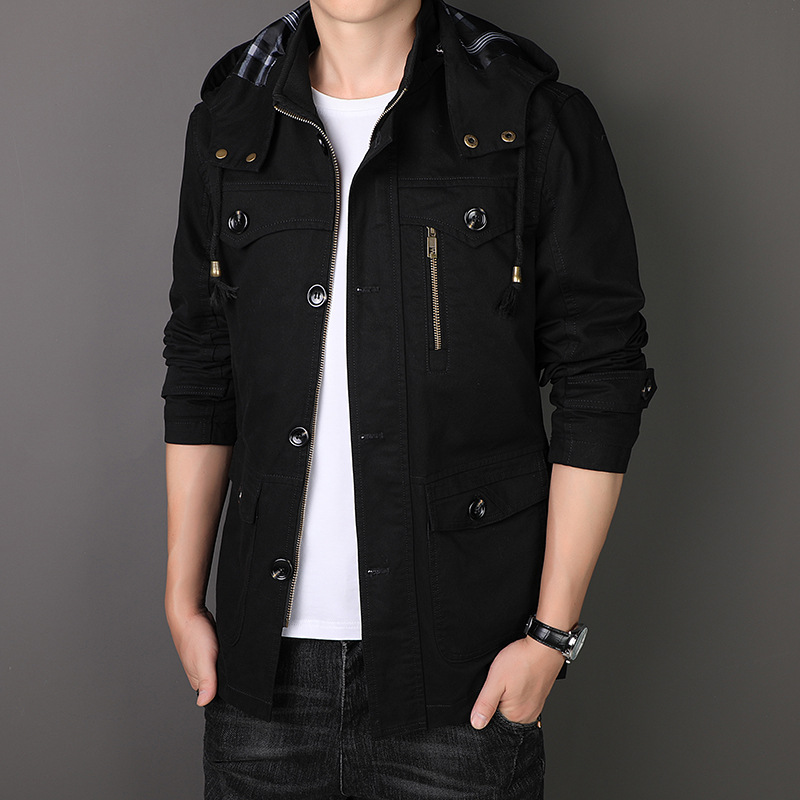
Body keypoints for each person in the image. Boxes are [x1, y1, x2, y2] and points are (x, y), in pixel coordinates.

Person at [161, 0, 657, 796]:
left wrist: (550, 636)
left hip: (464, 674)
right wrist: (182, 600)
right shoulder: (230, 120)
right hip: (260, 674)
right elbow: (201, 361)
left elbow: (600, 375)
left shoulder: (530, 116)